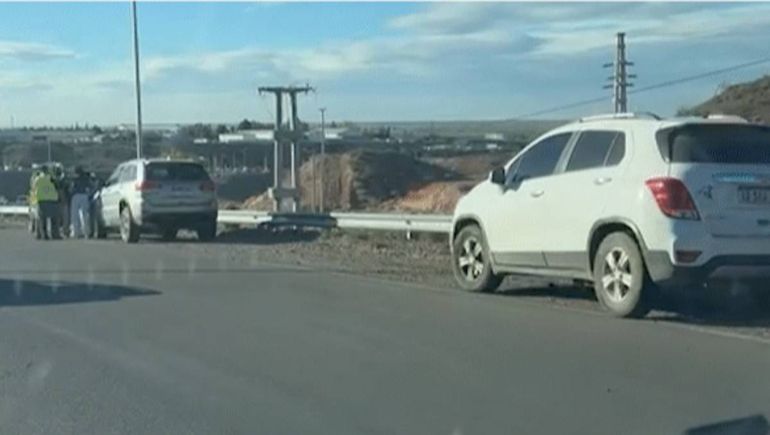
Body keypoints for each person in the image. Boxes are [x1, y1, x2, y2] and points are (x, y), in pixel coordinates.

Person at [32, 166, 60, 240]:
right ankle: (55, 234)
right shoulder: (51, 177)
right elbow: (57, 185)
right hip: (52, 199)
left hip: (42, 199)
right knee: (54, 218)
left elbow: (33, 186)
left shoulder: (38, 178)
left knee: (42, 219)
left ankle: (44, 235)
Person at [69, 166, 92, 239]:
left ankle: (76, 232)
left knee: (75, 215)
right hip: (84, 196)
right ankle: (86, 233)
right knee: (85, 215)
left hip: (76, 196)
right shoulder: (86, 178)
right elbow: (90, 186)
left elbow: (71, 188)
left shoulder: (74, 179)